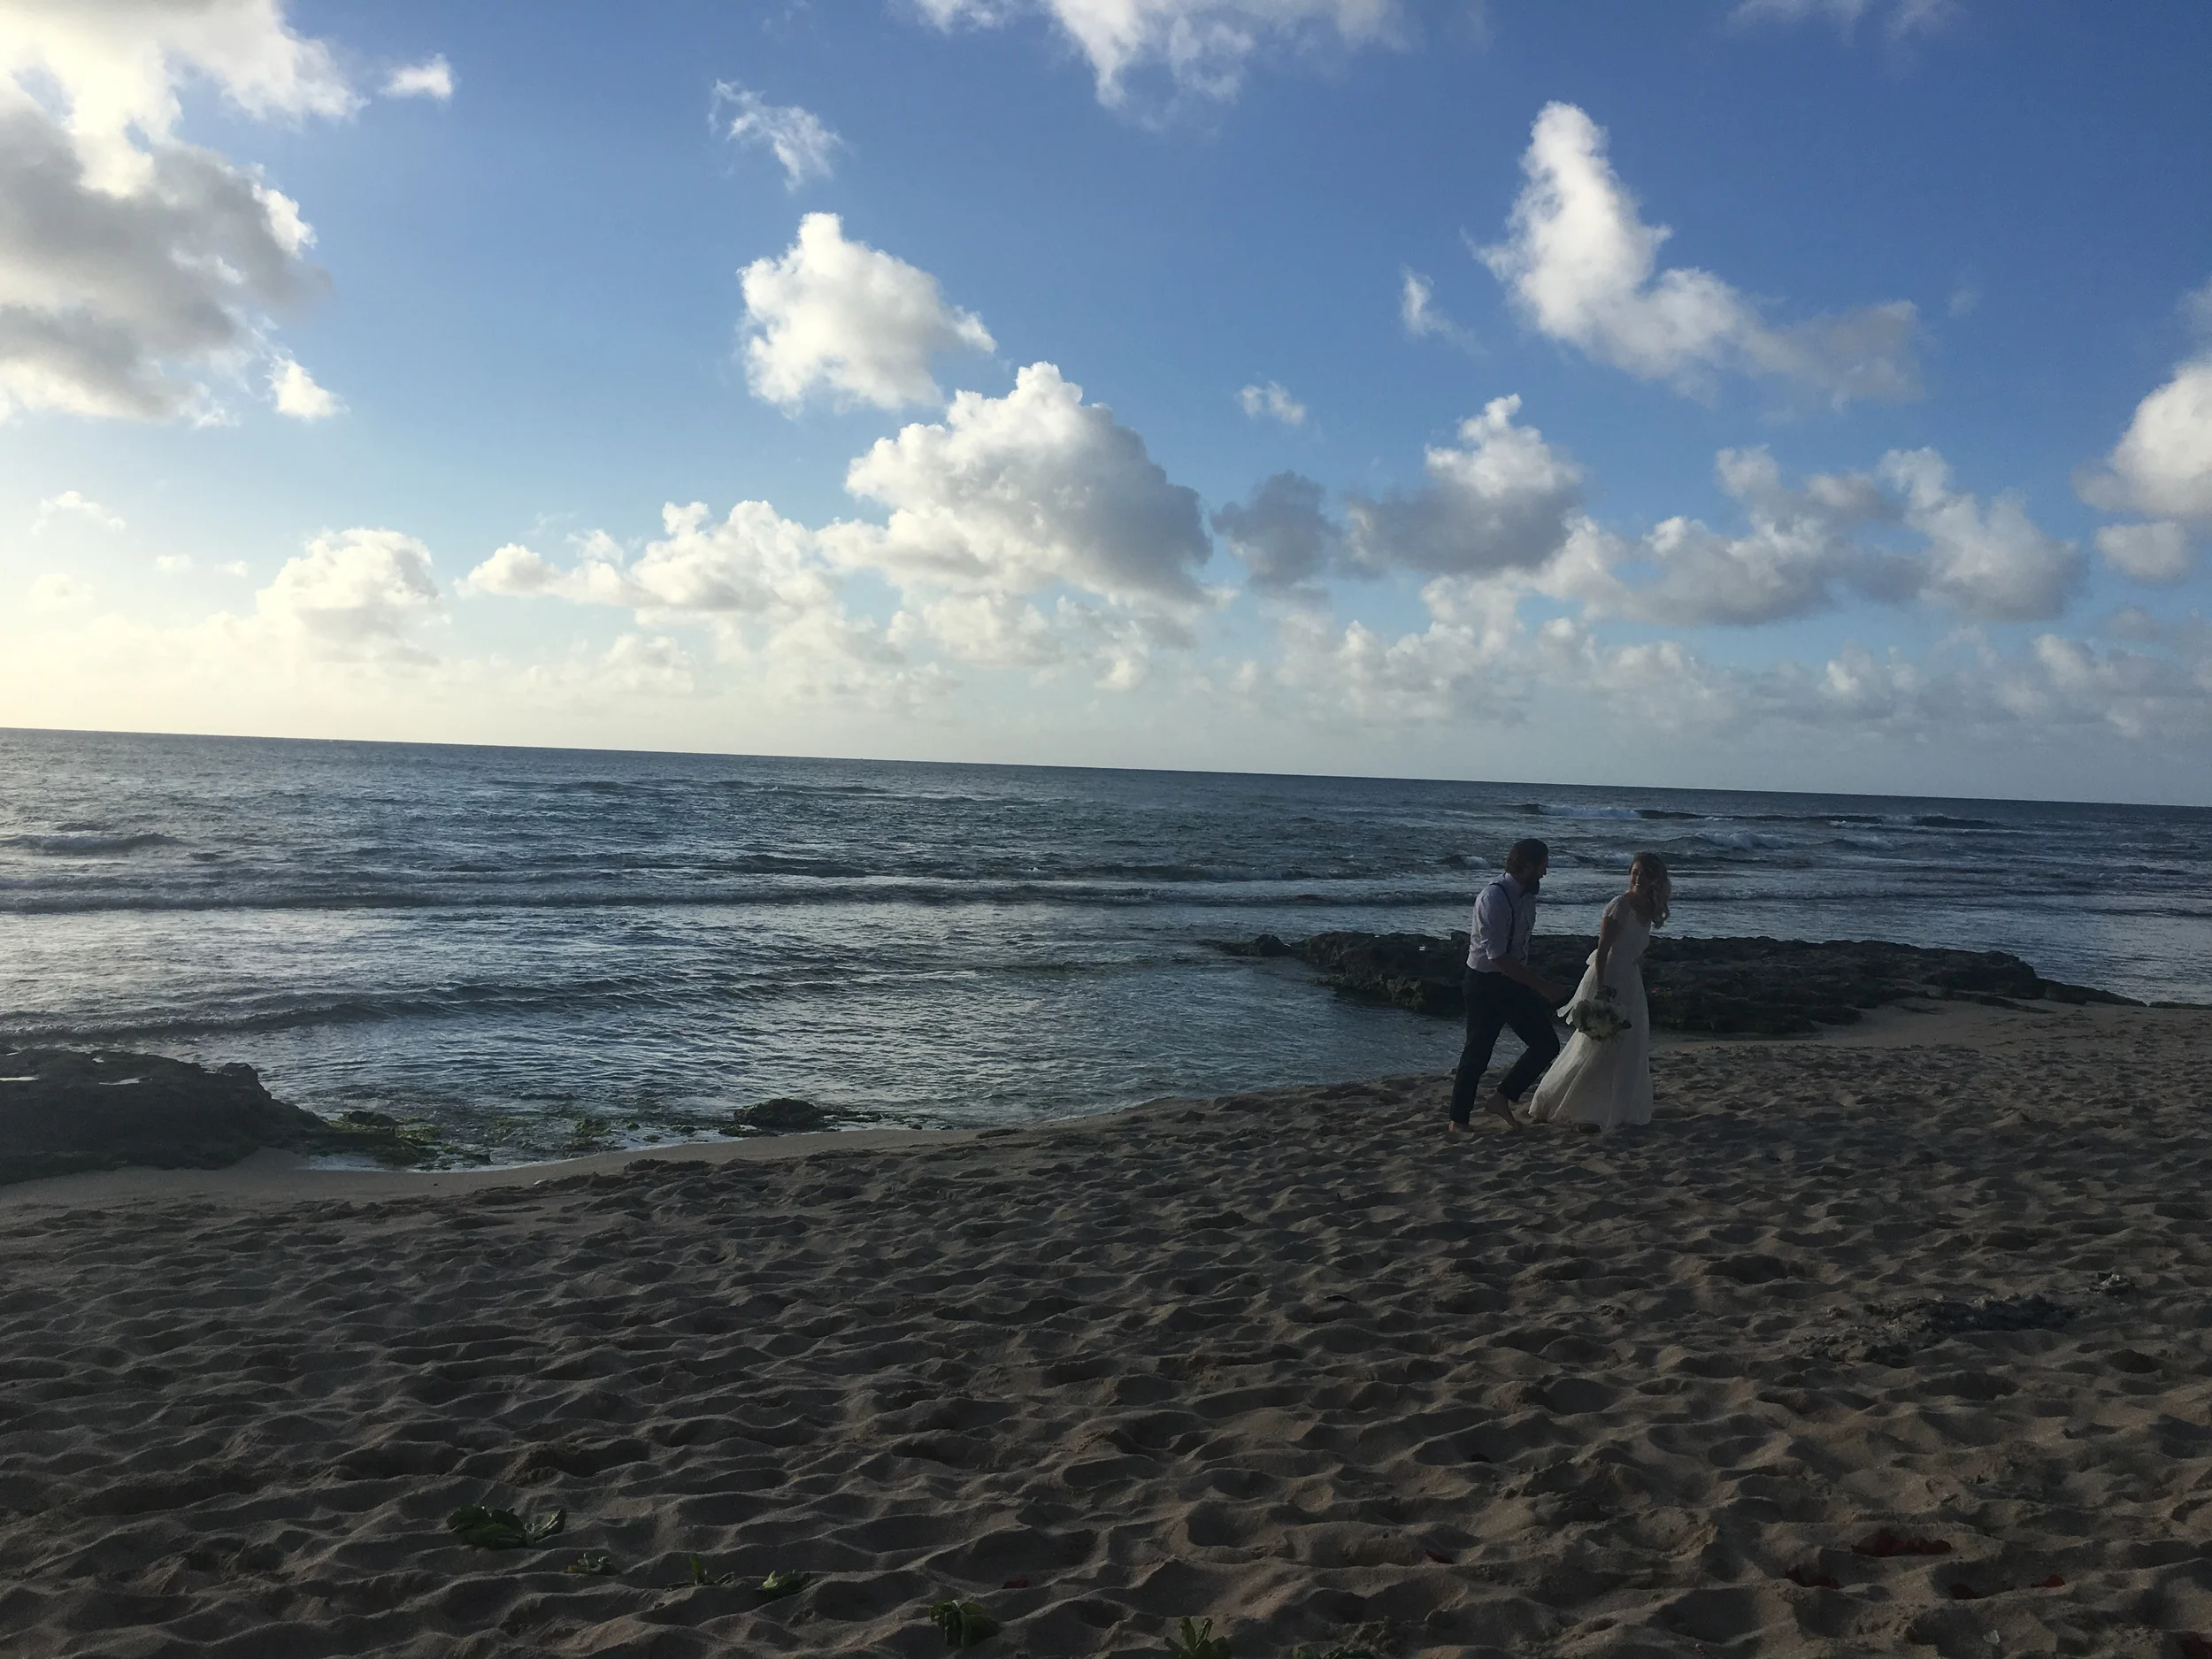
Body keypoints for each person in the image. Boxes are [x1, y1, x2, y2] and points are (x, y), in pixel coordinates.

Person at [1523, 850, 1671, 1133]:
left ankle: (1614, 1106)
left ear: (1656, 879)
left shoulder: (1649, 908)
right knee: (1595, 1045)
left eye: (1644, 874)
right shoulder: (1619, 906)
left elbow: (1637, 951)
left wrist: (1638, 978)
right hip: (1607, 977)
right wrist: (1603, 989)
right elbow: (1603, 952)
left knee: (1628, 1045)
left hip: (1631, 980)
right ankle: (1571, 1105)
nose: (1638, 878)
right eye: (1634, 873)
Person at [1446, 837, 1569, 1134]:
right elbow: (1498, 957)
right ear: (1527, 866)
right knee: (1477, 1054)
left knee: (1546, 1044)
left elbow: (1518, 948)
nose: (1545, 873)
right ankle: (1458, 1121)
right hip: (1485, 983)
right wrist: (1543, 986)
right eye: (1542, 866)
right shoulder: (1494, 898)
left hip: (1513, 981)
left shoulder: (1527, 896)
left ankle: (1501, 1098)